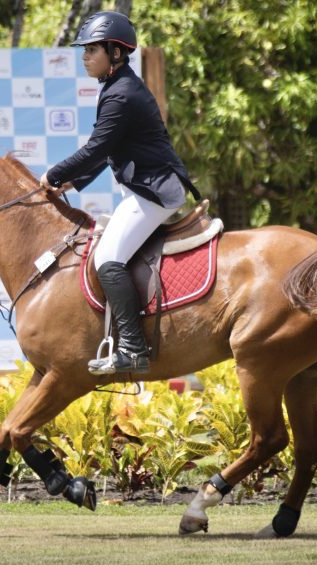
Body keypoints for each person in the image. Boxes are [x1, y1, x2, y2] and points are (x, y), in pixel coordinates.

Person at [39, 11, 200, 375]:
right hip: (146, 187)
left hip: (156, 190)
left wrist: (53, 173)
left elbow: (96, 147)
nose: (84, 57)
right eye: (84, 51)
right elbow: (109, 148)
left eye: (92, 50)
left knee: (107, 258)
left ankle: (132, 348)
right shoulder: (117, 86)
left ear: (115, 52)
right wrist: (73, 183)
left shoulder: (121, 93)